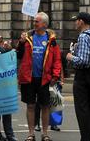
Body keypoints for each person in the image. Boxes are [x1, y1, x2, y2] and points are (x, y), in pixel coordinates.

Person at [17, 11, 61, 141]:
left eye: (37, 21)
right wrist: (20, 43)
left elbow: (57, 59)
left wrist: (55, 75)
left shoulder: (51, 40)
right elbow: (18, 55)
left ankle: (45, 133)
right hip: (28, 78)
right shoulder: (28, 37)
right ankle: (31, 133)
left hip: (45, 79)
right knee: (30, 105)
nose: (34, 23)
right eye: (34, 21)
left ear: (44, 24)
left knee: (45, 106)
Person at [66, 12, 90, 141]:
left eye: (76, 20)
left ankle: (86, 137)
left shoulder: (83, 36)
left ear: (81, 22)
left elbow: (83, 61)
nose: (75, 23)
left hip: (83, 78)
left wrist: (71, 57)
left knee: (82, 110)